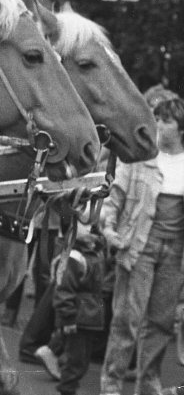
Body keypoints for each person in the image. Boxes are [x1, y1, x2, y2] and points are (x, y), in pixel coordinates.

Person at [100, 97, 184, 395]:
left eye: (166, 121)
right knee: (127, 320)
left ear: (181, 129)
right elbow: (115, 196)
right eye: (156, 119)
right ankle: (111, 385)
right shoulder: (139, 158)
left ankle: (147, 384)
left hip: (175, 253)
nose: (158, 125)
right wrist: (108, 227)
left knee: (161, 324)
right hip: (139, 247)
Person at [53, 227, 107, 395]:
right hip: (78, 318)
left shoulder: (96, 253)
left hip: (90, 317)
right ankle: (66, 390)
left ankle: (68, 387)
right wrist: (68, 319)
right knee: (75, 362)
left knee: (81, 363)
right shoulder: (74, 257)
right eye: (86, 227)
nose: (92, 232)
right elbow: (63, 291)